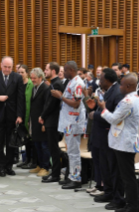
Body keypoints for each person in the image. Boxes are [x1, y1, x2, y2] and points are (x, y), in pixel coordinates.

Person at [99, 74, 139, 212]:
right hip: (125, 141)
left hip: (124, 143)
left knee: (127, 177)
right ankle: (129, 203)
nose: (120, 87)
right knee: (126, 175)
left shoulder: (128, 101)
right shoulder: (135, 98)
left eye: (122, 85)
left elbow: (113, 119)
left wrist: (103, 108)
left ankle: (132, 206)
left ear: (129, 86)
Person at [89, 68, 125, 210]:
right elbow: (104, 109)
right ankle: (108, 191)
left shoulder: (117, 93)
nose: (99, 81)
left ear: (108, 80)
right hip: (101, 136)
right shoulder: (108, 91)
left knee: (113, 168)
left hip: (108, 134)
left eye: (101, 79)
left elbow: (113, 116)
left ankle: (117, 197)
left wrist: (95, 115)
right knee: (104, 166)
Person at [0, 56, 25, 177]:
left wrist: (20, 115)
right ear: (1, 65)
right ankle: (1, 167)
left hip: (12, 116)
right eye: (5, 66)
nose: (7, 69)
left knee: (10, 143)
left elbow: (20, 97)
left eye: (9, 67)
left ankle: (9, 166)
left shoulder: (17, 78)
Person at [51, 61, 86, 189]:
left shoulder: (78, 83)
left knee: (74, 152)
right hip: (68, 122)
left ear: (71, 70)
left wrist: (60, 97)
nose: (63, 73)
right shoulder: (72, 81)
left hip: (74, 122)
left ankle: (76, 179)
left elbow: (76, 103)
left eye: (64, 70)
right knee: (70, 151)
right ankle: (71, 176)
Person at [40, 62, 64, 183]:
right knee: (52, 148)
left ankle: (55, 175)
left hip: (53, 120)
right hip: (51, 120)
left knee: (54, 149)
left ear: (53, 71)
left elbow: (51, 104)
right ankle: (54, 173)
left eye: (46, 69)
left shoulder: (57, 84)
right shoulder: (54, 83)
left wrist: (43, 115)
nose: (45, 71)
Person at [29, 68, 50, 177]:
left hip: (42, 122)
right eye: (31, 78)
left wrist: (44, 122)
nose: (32, 80)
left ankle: (45, 167)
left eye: (34, 78)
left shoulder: (45, 88)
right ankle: (39, 165)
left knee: (44, 145)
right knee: (36, 144)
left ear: (40, 77)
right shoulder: (34, 88)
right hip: (35, 121)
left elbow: (47, 106)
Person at [16, 65, 35, 169]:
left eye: (22, 72)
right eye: (19, 72)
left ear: (27, 73)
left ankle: (31, 160)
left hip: (29, 115)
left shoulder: (30, 84)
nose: (20, 74)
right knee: (24, 138)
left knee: (29, 139)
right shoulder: (18, 83)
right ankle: (26, 159)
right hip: (21, 114)